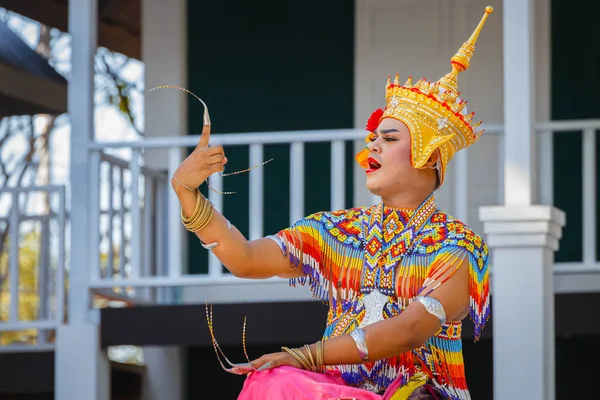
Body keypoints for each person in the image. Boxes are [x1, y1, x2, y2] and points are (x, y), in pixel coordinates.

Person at [170, 6, 494, 400]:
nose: (372, 144)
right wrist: (188, 194)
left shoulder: (457, 248)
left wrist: (304, 356)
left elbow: (409, 330)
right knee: (273, 384)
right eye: (373, 136)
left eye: (389, 138)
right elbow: (246, 259)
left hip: (415, 395)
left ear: (428, 156)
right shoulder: (339, 231)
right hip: (337, 390)